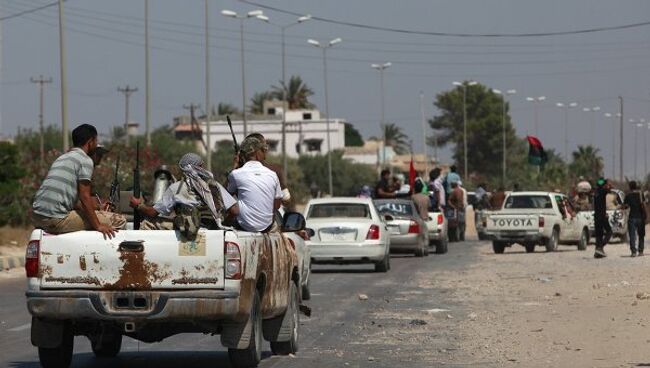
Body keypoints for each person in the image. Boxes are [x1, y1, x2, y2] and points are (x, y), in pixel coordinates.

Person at [31, 124, 126, 239]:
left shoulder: (62, 158)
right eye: (96, 141)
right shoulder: (85, 160)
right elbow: (84, 197)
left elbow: (71, 200)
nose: (96, 145)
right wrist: (98, 225)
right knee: (119, 220)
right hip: (55, 219)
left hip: (37, 216)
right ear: (90, 142)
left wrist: (97, 208)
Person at [129, 153, 239, 232]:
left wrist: (138, 206)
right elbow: (234, 211)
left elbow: (153, 212)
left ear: (185, 169)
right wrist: (223, 225)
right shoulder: (216, 186)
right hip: (214, 229)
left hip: (188, 230)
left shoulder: (177, 188)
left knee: (147, 222)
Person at [227, 135, 283, 232]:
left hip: (243, 226)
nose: (265, 153)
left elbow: (226, 197)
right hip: (267, 226)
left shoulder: (236, 174)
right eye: (263, 150)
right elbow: (277, 205)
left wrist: (235, 167)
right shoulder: (272, 175)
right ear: (256, 153)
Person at [624, 181, 646, 257]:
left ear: (630, 187)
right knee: (641, 235)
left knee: (632, 236)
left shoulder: (628, 196)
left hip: (632, 217)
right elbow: (643, 205)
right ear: (636, 186)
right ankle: (641, 251)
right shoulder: (640, 194)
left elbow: (626, 206)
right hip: (640, 217)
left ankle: (633, 252)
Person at [593, 178, 613, 258]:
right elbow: (610, 189)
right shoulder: (603, 191)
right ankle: (600, 247)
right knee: (609, 232)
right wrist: (608, 184)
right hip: (602, 216)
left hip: (596, 216)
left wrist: (604, 183)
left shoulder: (596, 192)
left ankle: (598, 252)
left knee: (599, 234)